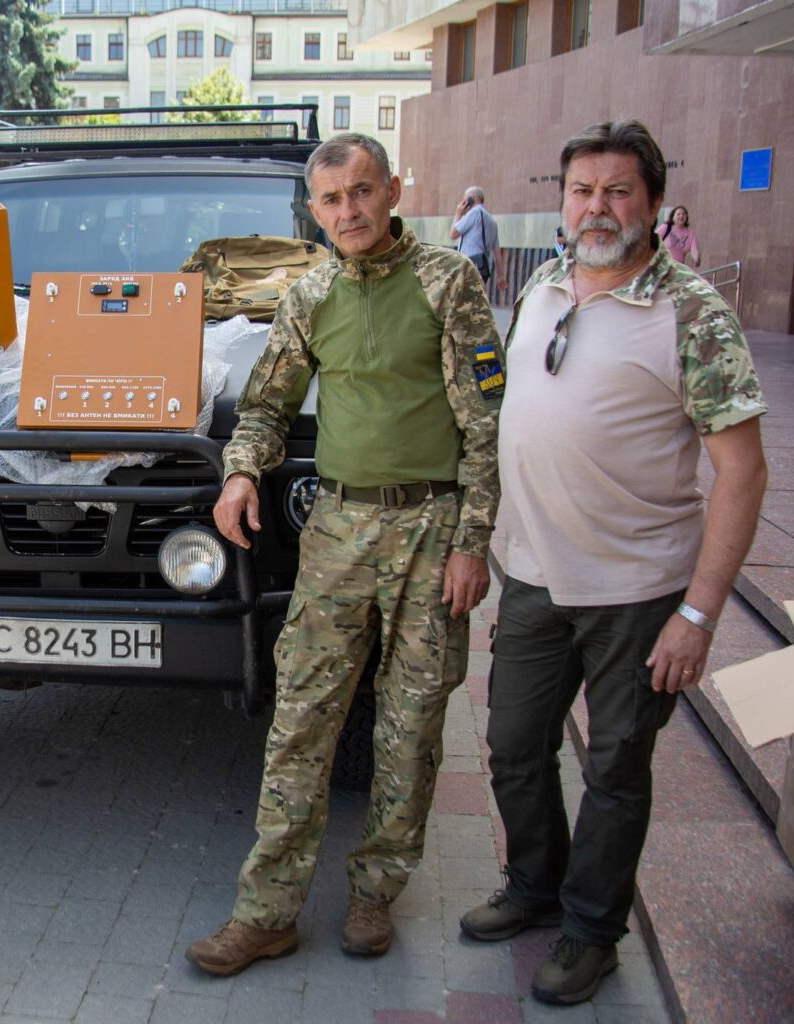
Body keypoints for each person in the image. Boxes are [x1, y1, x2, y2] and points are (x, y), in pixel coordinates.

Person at [459, 120, 767, 1006]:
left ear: (654, 204)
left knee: (616, 771)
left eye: (618, 191)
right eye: (583, 191)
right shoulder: (545, 285)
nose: (598, 207)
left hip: (638, 594)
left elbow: (742, 472)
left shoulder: (693, 313)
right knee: (513, 748)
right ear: (563, 202)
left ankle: (593, 933)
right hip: (532, 578)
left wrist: (700, 615)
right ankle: (534, 888)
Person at [185, 132, 504, 976]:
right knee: (301, 720)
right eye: (330, 200)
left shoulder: (447, 282)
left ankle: (374, 894)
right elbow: (267, 403)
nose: (348, 212)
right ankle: (267, 911)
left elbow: (484, 423)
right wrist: (241, 473)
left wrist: (474, 543)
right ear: (314, 211)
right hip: (336, 531)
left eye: (361, 192)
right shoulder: (310, 292)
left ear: (392, 190)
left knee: (410, 724)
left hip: (432, 532)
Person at [451, 186, 506, 295]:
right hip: (483, 267)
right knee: (476, 299)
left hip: (469, 264)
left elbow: (453, 234)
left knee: (463, 299)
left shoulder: (474, 213)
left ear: (472, 198)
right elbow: (497, 252)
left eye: (465, 199)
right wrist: (501, 276)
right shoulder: (492, 222)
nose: (463, 203)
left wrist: (458, 214)